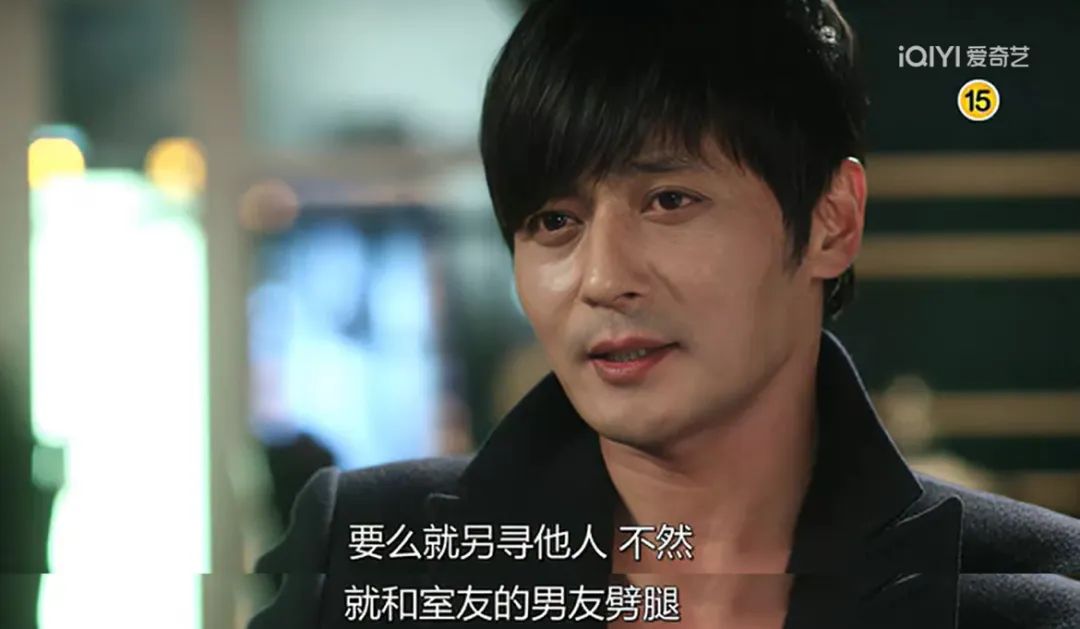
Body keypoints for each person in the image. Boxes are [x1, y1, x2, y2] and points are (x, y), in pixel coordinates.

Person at [249, 1, 1080, 627]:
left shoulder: (1027, 595)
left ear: (832, 221)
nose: (604, 277)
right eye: (554, 221)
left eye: (670, 200)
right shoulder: (370, 556)